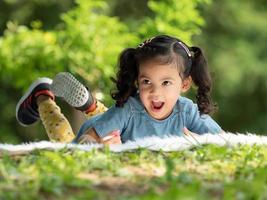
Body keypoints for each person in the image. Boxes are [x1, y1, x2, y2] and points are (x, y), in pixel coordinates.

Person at [16, 35, 222, 144]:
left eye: (166, 83)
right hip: (102, 131)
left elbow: (224, 139)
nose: (155, 92)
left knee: (117, 118)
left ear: (184, 84)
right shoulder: (130, 109)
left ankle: (90, 105)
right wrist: (91, 147)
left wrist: (201, 143)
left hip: (113, 123)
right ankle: (43, 95)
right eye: (146, 82)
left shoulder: (187, 111)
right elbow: (90, 137)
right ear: (137, 81)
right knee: (65, 145)